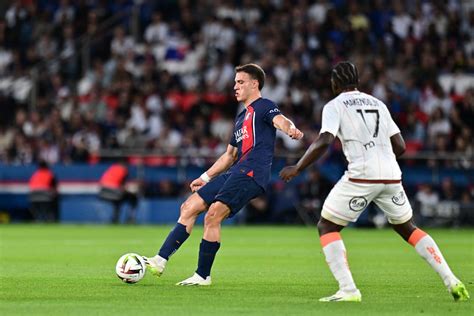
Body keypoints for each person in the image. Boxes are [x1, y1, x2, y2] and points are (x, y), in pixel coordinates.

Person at [280, 61, 469, 302]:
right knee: (408, 228)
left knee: (327, 226)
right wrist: (382, 158)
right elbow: (400, 145)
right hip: (391, 174)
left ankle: (348, 290)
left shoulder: (334, 105)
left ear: (334, 83)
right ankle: (451, 280)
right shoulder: (378, 104)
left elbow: (325, 140)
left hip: (362, 174)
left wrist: (297, 167)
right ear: (357, 81)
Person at [144, 63, 303, 285]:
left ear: (254, 84)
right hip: (236, 170)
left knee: (213, 215)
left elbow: (281, 120)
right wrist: (205, 177)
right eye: (235, 82)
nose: (235, 87)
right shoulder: (240, 119)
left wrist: (290, 129)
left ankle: (202, 275)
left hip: (252, 173)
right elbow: (229, 155)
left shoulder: (265, 106)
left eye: (240, 82)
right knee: (188, 207)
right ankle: (159, 260)